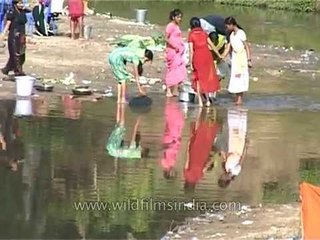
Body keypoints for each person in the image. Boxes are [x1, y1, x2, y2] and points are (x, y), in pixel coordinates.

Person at [184, 108, 221, 193]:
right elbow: (187, 159)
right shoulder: (186, 175)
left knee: (206, 140)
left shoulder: (199, 177)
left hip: (203, 155)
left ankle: (210, 118)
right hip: (194, 153)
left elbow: (205, 167)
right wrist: (188, 145)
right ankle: (203, 113)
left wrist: (211, 157)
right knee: (198, 136)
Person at [188, 17, 221, 107]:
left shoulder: (191, 35)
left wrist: (190, 62)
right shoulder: (204, 33)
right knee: (206, 78)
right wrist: (218, 54)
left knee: (198, 79)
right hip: (207, 57)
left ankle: (200, 101)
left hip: (198, 57)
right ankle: (208, 100)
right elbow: (211, 45)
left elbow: (191, 51)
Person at [222, 17, 252, 105]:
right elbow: (229, 47)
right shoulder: (232, 35)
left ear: (232, 25)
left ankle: (240, 99)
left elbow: (246, 47)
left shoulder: (241, 33)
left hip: (241, 58)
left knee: (240, 78)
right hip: (235, 58)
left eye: (227, 26)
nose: (227, 28)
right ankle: (237, 98)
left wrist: (249, 59)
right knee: (235, 78)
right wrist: (224, 56)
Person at [216, 108, 249, 188]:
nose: (221, 175)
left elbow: (225, 156)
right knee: (241, 127)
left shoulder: (226, 167)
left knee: (233, 127)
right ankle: (241, 107)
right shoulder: (236, 171)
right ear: (227, 179)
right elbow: (242, 158)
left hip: (232, 145)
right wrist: (246, 146)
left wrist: (221, 150)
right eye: (222, 177)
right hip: (239, 147)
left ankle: (235, 107)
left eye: (221, 177)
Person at [1, 0, 31, 77]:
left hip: (22, 35)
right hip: (14, 36)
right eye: (19, 3)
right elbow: (8, 24)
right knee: (15, 54)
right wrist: (3, 34)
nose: (21, 5)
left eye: (22, 3)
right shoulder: (12, 12)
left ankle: (6, 69)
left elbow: (31, 10)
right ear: (15, 4)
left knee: (22, 54)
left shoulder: (23, 12)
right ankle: (18, 71)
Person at [164, 9, 187, 97]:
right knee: (172, 70)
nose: (180, 19)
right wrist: (175, 46)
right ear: (173, 17)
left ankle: (175, 89)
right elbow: (166, 38)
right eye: (178, 17)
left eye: (181, 17)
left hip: (178, 52)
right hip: (172, 51)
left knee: (178, 69)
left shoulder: (176, 26)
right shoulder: (170, 26)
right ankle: (169, 90)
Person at [161, 99, 184, 180]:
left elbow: (163, 150)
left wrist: (170, 146)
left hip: (170, 141)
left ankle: (171, 106)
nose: (173, 172)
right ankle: (173, 106)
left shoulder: (165, 164)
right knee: (178, 124)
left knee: (173, 124)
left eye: (172, 173)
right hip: (175, 142)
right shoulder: (172, 164)